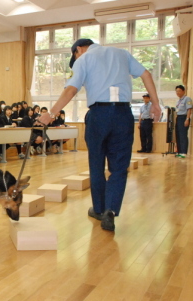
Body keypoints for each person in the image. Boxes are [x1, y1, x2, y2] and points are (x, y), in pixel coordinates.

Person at [39, 38, 160, 232]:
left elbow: (71, 89)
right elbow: (146, 74)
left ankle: (99, 209)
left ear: (78, 49)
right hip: (123, 114)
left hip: (99, 114)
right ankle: (110, 211)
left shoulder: (84, 59)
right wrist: (155, 103)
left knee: (96, 164)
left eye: (75, 55)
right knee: (119, 167)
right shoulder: (122, 54)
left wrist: (51, 114)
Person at [174, 85, 193, 158]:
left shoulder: (187, 99)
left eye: (179, 91)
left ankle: (184, 152)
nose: (177, 92)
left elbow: (189, 109)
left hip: (184, 117)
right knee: (178, 135)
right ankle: (179, 151)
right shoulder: (178, 100)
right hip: (178, 118)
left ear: (183, 91)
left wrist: (187, 119)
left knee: (183, 135)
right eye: (176, 91)